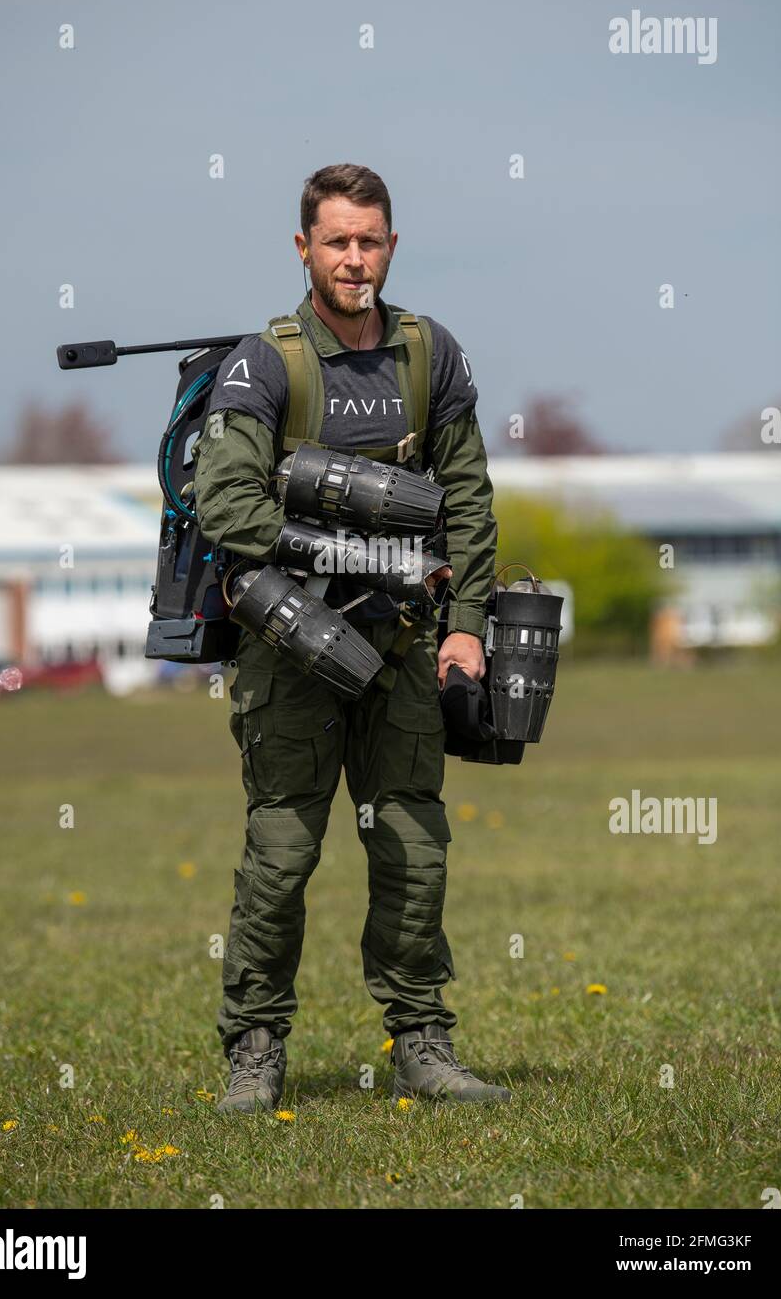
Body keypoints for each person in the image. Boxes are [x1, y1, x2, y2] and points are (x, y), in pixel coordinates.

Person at [192, 162, 511, 1109]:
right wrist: (350, 553)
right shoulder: (264, 362)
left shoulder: (430, 352)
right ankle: (256, 1049)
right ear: (305, 248)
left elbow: (469, 504)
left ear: (391, 244)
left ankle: (423, 1044)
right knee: (282, 853)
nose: (354, 257)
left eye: (369, 239)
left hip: (409, 651)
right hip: (291, 649)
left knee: (413, 847)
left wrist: (466, 628)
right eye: (336, 240)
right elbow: (226, 503)